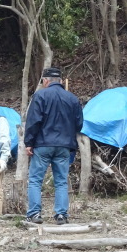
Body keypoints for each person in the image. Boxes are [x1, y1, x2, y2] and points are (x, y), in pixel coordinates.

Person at [23, 67, 83, 225]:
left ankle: (35, 214)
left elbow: (33, 121)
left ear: (45, 81)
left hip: (43, 144)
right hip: (64, 146)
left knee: (36, 180)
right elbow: (79, 124)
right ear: (61, 81)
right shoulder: (72, 98)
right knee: (61, 181)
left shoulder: (40, 95)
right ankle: (61, 215)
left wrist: (29, 142)